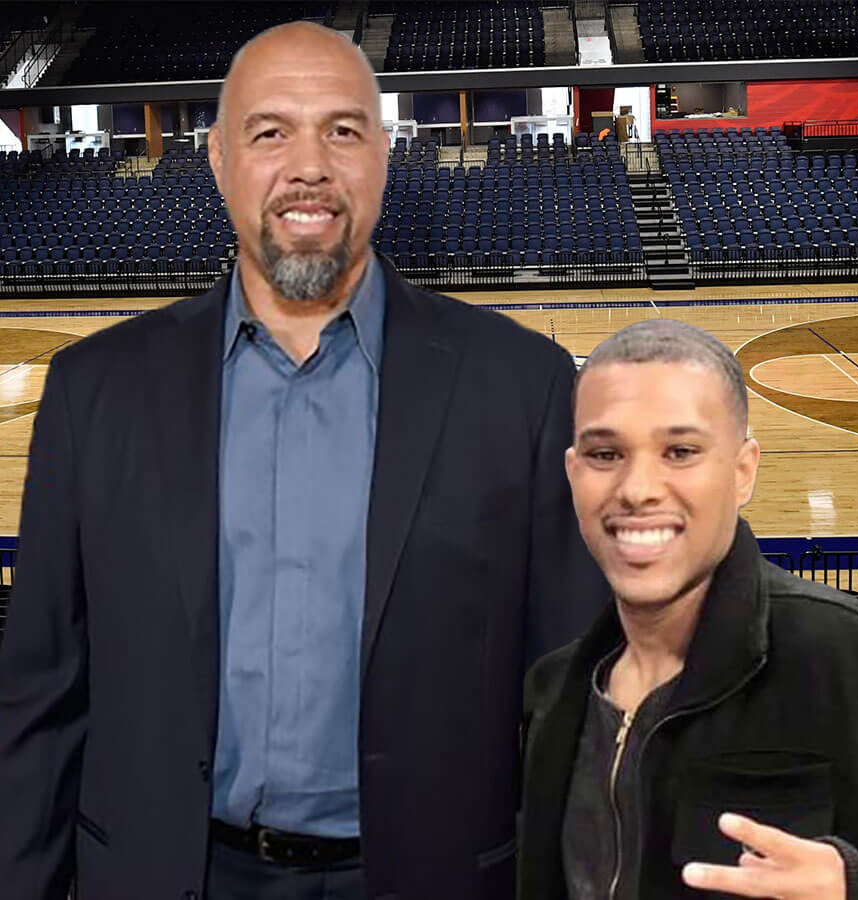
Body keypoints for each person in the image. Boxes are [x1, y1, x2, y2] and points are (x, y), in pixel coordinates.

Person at [0, 22, 608, 900]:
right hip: (166, 871)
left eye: (343, 130)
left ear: (385, 156)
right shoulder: (93, 391)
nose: (309, 166)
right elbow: (40, 698)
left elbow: (570, 699)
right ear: (218, 160)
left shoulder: (524, 387)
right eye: (270, 132)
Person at [518, 319, 858, 900]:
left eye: (681, 452)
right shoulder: (552, 692)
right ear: (573, 474)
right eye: (605, 454)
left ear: (743, 472)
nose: (637, 489)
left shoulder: (854, 663)